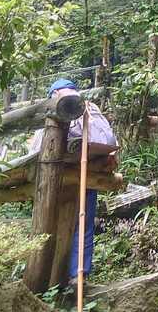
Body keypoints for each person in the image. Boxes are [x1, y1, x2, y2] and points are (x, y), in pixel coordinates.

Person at [28, 78, 117, 282]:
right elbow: (109, 139)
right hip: (91, 169)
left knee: (50, 224)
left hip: (58, 175)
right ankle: (79, 273)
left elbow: (35, 149)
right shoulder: (90, 107)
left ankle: (52, 276)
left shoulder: (55, 105)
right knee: (84, 224)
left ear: (54, 93)